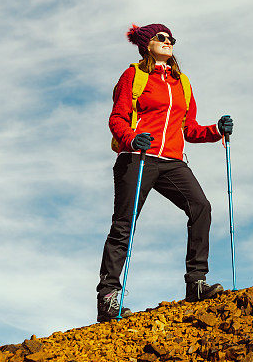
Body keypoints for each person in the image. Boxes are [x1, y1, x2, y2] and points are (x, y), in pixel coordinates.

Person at [96, 23, 233, 323]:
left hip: (172, 160)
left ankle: (196, 284)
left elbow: (190, 128)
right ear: (147, 43)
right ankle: (108, 298)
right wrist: (131, 138)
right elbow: (117, 117)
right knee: (124, 225)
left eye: (171, 39)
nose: (168, 42)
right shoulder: (134, 75)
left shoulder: (181, 82)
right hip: (137, 157)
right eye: (161, 38)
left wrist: (216, 131)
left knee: (201, 207)